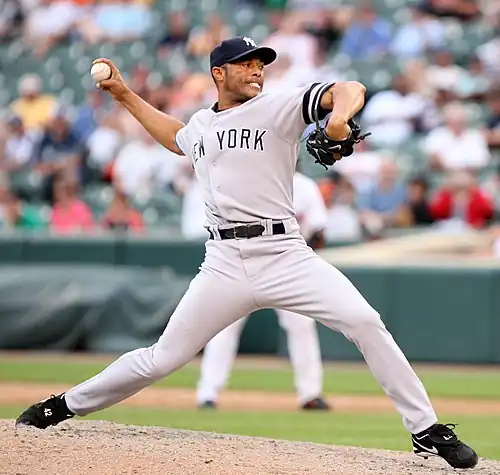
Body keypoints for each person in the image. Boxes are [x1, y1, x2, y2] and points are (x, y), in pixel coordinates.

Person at [15, 36, 478, 470]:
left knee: (365, 322)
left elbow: (350, 88)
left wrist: (337, 120)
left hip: (284, 253)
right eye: (247, 64)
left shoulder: (277, 108)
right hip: (222, 265)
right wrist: (123, 95)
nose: (257, 71)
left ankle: (424, 429)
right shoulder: (201, 124)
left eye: (261, 64)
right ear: (219, 73)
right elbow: (176, 136)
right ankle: (62, 405)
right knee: (163, 358)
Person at [196, 169, 330, 411]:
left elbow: (320, 232)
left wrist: (301, 250)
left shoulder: (305, 187)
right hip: (243, 262)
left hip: (287, 266)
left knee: (301, 326)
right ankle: (208, 392)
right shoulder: (249, 178)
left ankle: (310, 393)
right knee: (223, 327)